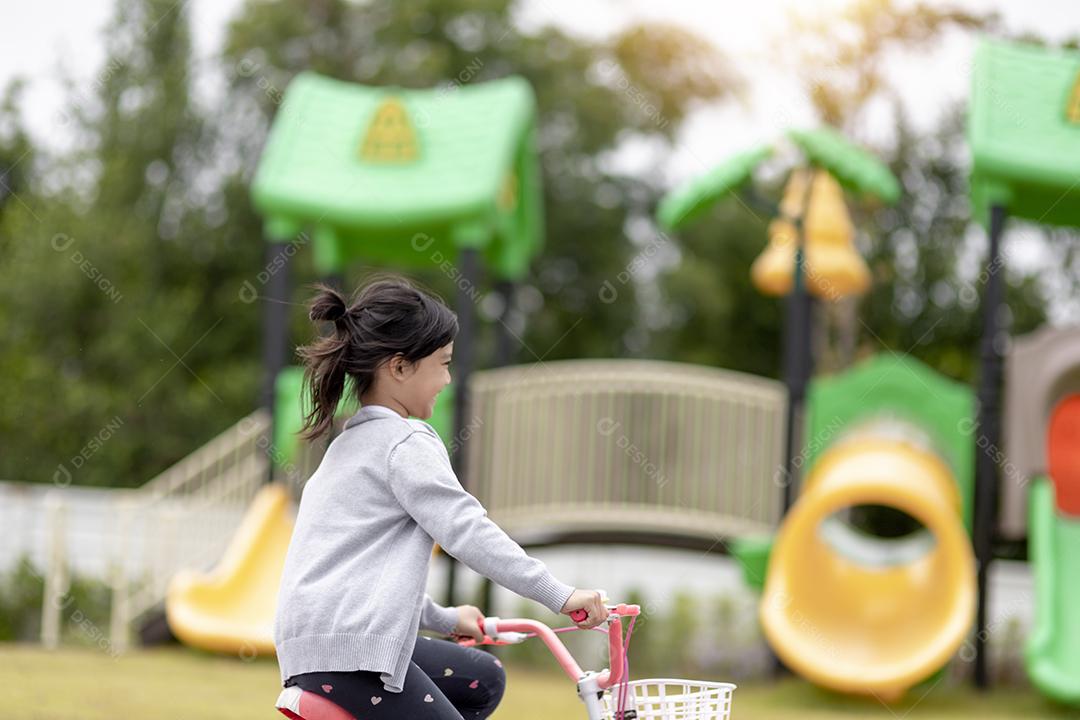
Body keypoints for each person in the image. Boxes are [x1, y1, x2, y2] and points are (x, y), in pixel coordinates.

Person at [273, 273, 606, 719]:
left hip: (311, 651)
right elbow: (466, 530)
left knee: (483, 677)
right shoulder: (404, 442)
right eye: (444, 363)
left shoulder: (345, 448)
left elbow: (355, 576)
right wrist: (560, 595)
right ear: (399, 366)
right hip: (353, 659)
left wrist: (445, 620)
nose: (448, 379)